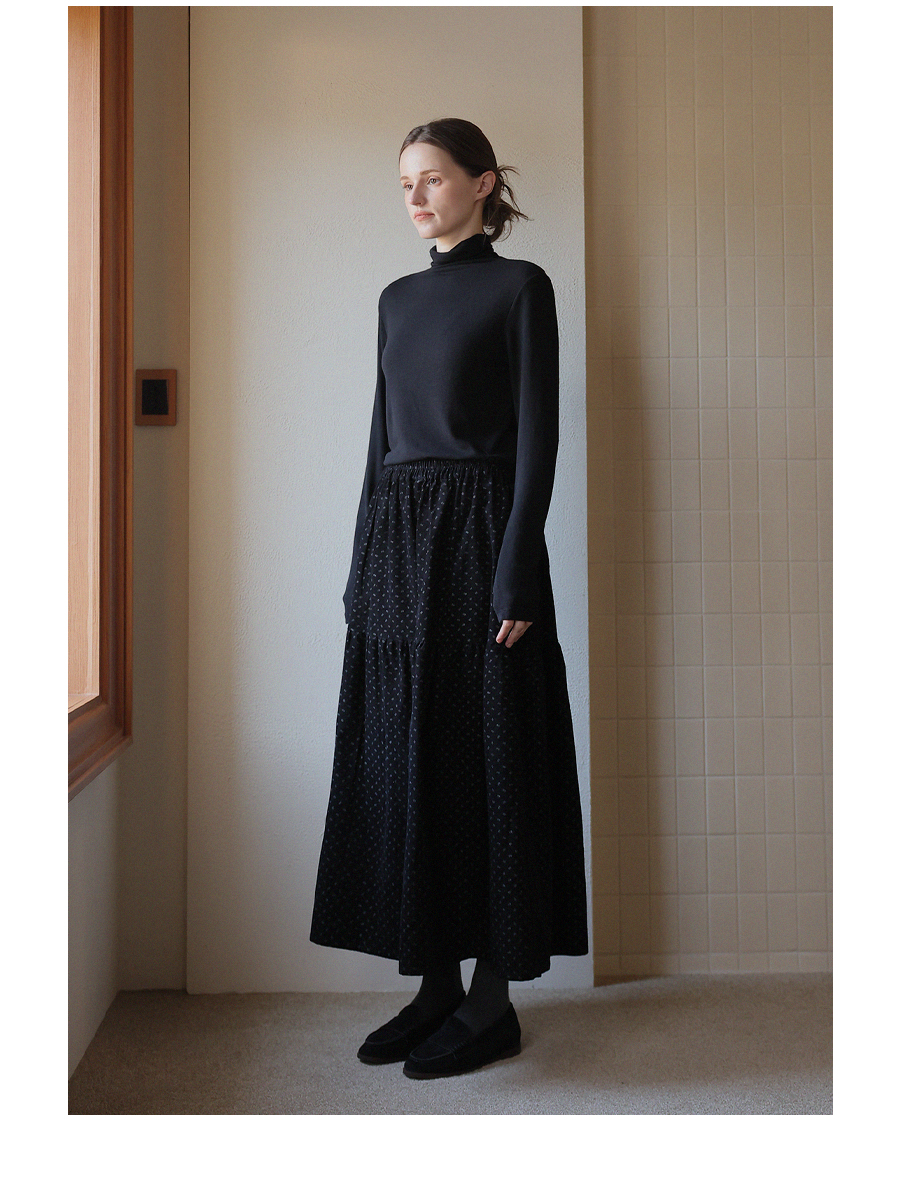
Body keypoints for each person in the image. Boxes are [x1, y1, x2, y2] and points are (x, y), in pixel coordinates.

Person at [309, 117, 588, 1080]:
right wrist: (361, 560)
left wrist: (520, 566)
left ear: (482, 183)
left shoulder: (521, 287)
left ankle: (491, 1000)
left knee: (490, 754)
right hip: (399, 539)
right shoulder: (396, 299)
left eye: (432, 178)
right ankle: (433, 983)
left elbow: (539, 438)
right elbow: (378, 440)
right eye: (405, 184)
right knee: (407, 757)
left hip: (482, 536)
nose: (417, 197)